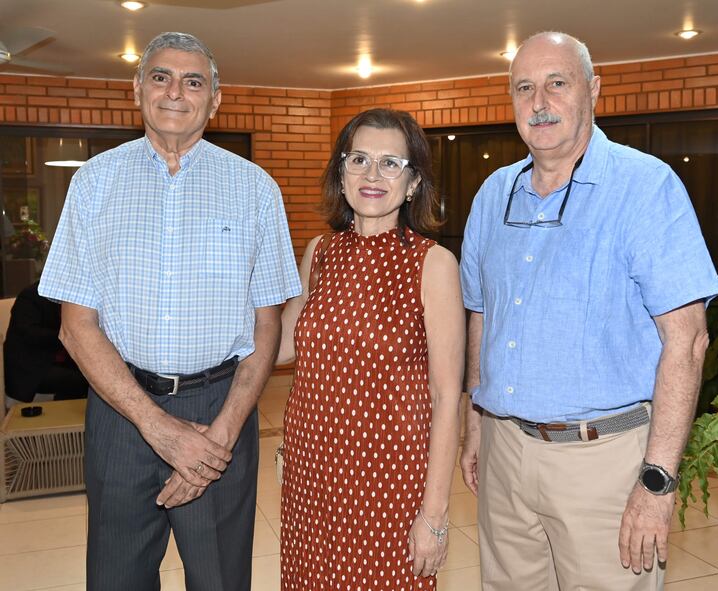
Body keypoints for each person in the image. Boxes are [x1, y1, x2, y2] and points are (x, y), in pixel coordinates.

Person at [459, 32, 718, 591]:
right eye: (524, 87)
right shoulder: (492, 194)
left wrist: (657, 481)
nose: (539, 102)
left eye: (557, 83)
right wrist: (475, 422)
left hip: (605, 461)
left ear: (593, 90)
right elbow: (482, 315)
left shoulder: (646, 188)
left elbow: (688, 341)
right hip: (504, 457)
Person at [39, 32, 300, 591]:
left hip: (220, 409)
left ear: (215, 97)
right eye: (160, 76)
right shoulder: (93, 184)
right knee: (116, 578)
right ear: (137, 89)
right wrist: (157, 428)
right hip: (120, 411)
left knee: (219, 578)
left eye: (193, 80)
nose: (175, 92)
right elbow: (75, 324)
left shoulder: (255, 189)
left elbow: (267, 324)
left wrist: (221, 436)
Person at [277, 108, 464, 590]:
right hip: (312, 476)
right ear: (341, 174)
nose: (373, 174)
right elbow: (280, 349)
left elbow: (447, 398)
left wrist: (435, 514)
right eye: (359, 158)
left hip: (388, 482)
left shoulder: (433, 264)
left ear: (414, 182)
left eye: (390, 163)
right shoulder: (319, 252)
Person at [4, 280, 88, 404]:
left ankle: (63, 414)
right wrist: (66, 335)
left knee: (91, 374)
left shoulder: (70, 299)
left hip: (59, 362)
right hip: (31, 366)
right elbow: (29, 333)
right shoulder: (30, 296)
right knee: (83, 380)